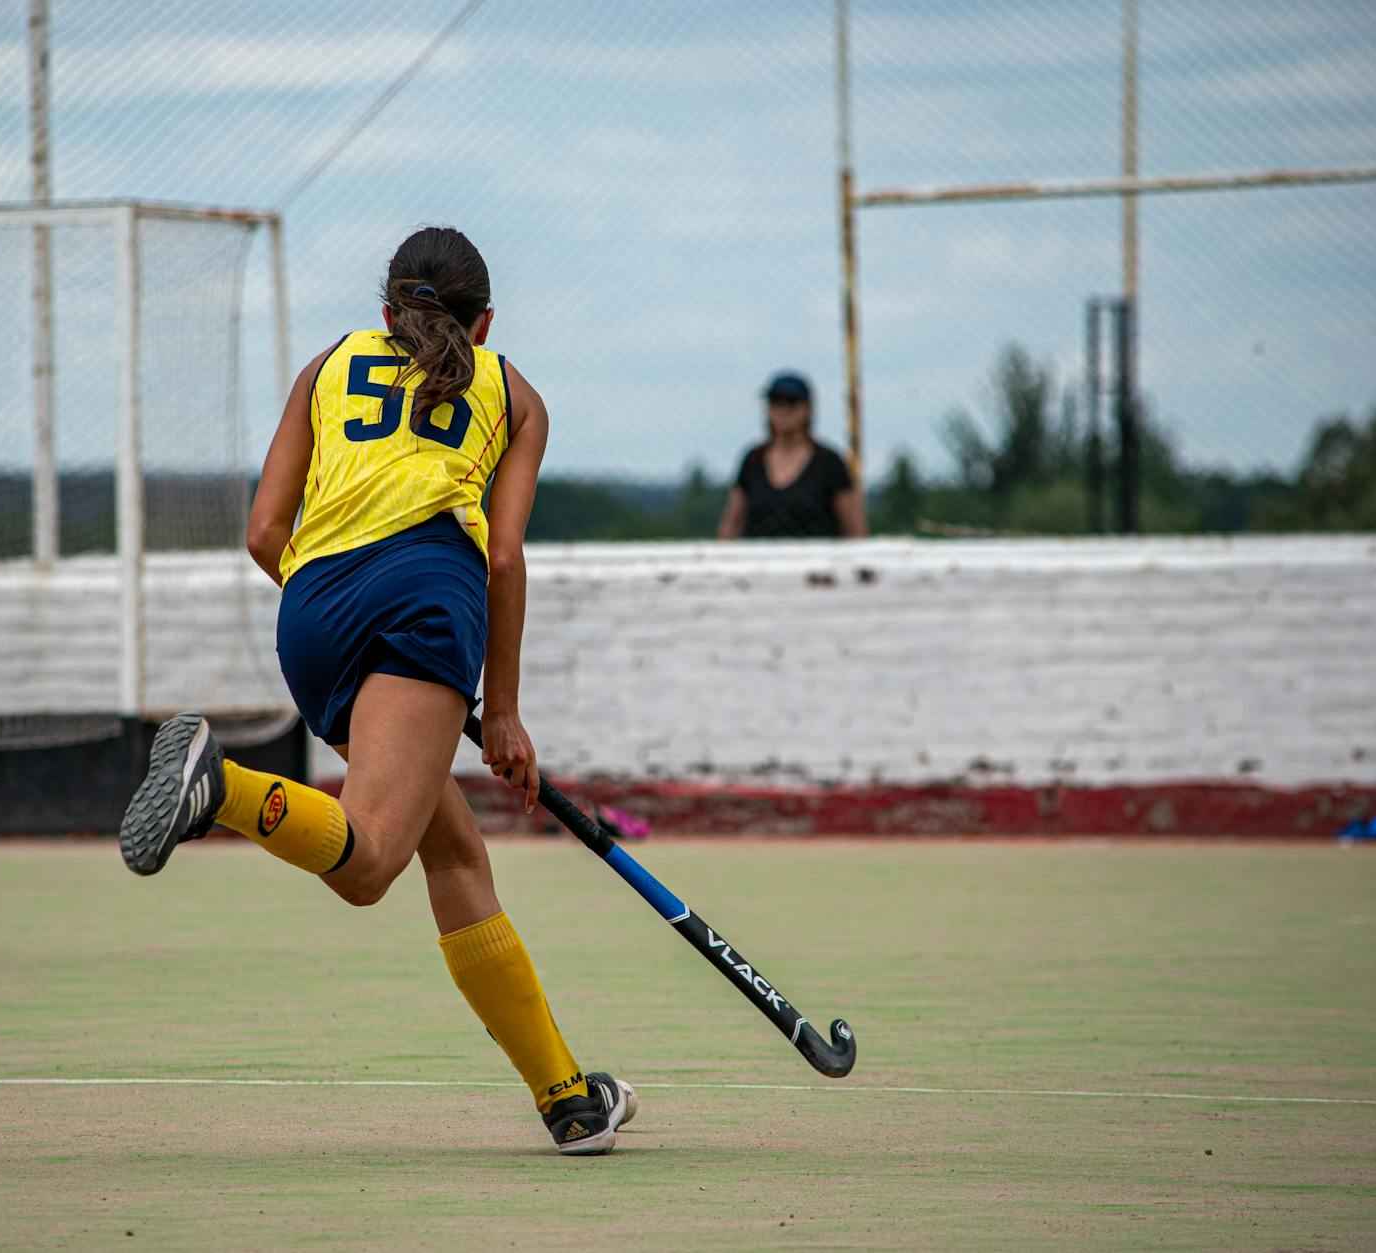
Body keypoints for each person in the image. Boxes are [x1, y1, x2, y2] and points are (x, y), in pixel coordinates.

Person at [117, 227, 637, 1155]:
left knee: (455, 852)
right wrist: (500, 710)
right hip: (427, 599)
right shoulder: (514, 393)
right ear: (486, 322)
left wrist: (353, 615)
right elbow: (503, 558)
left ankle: (569, 1100)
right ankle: (221, 785)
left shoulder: (325, 366)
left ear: (384, 310)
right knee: (368, 865)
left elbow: (264, 531)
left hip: (310, 608)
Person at [716, 371, 868, 539]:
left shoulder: (829, 463)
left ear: (808, 409)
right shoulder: (753, 460)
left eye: (791, 403)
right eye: (775, 403)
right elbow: (731, 523)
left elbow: (854, 528)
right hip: (759, 554)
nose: (783, 411)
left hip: (817, 554)